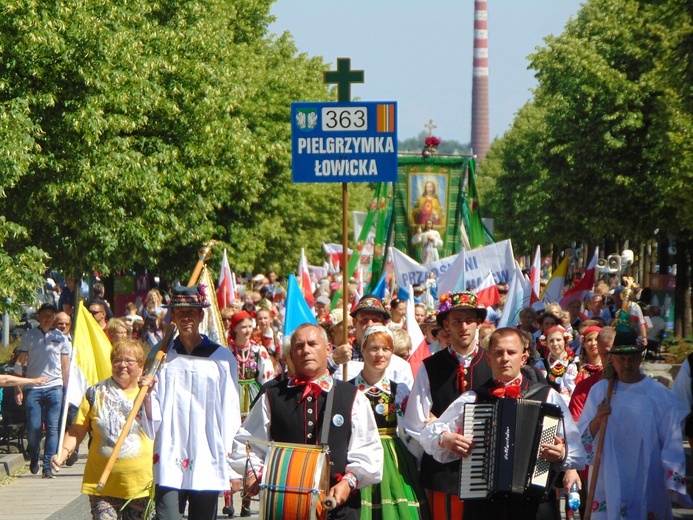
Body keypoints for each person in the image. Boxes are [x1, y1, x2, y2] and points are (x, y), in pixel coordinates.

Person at [421, 327, 585, 519]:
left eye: (511, 352)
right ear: (489, 359)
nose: (505, 358)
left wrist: (562, 454)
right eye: (498, 353)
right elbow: (428, 435)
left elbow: (577, 449)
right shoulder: (473, 399)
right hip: (484, 502)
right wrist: (445, 438)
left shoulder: (547, 396)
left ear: (523, 358)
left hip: (534, 502)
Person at [232, 323, 383, 519]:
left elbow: (368, 450)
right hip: (284, 510)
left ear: (328, 349)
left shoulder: (353, 397)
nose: (306, 351)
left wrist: (349, 482)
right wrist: (255, 474)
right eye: (299, 346)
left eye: (313, 344)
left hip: (339, 511)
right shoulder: (272, 395)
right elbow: (246, 444)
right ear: (291, 356)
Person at [141, 285, 241, 520]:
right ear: (172, 317)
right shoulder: (161, 358)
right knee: (167, 516)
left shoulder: (221, 358)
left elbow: (230, 412)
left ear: (201, 316)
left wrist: (233, 466)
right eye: (180, 312)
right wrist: (146, 395)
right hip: (170, 450)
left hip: (207, 451)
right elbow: (153, 408)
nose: (186, 317)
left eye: (192, 312)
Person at [578, 331, 692, 518]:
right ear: (612, 359)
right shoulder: (600, 392)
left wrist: (672, 477)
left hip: (648, 475)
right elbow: (582, 439)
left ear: (640, 358)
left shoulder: (660, 395)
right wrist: (598, 418)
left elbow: (671, 441)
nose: (626, 364)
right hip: (609, 476)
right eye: (621, 358)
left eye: (632, 358)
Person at [401, 291, 493, 515]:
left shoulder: (493, 362)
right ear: (446, 326)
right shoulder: (430, 367)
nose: (464, 327)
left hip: (488, 470)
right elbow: (414, 421)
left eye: (469, 320)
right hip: (443, 474)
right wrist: (442, 438)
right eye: (457, 321)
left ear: (479, 324)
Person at [51, 340, 153, 520]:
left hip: (141, 483)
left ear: (141, 365)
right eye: (117, 360)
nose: (122, 365)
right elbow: (76, 431)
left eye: (129, 361)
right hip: (101, 483)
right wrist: (63, 452)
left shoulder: (150, 394)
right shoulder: (95, 393)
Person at [349, 326, 429, 519]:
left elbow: (411, 427)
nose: (380, 354)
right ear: (363, 349)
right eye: (373, 348)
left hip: (394, 458)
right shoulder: (348, 390)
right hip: (359, 455)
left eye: (386, 349)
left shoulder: (399, 390)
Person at [14, 303, 70, 478]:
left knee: (53, 428)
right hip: (33, 387)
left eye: (51, 315)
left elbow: (65, 366)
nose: (48, 318)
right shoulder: (29, 336)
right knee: (34, 428)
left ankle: (47, 465)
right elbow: (19, 363)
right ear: (38, 316)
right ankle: (34, 455)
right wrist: (18, 388)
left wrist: (67, 389)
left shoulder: (61, 338)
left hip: (55, 387)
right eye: (44, 315)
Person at [330, 296, 414, 390]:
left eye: (375, 320)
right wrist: (333, 362)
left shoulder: (400, 366)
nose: (369, 325)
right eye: (364, 320)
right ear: (354, 322)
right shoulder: (340, 359)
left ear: (384, 323)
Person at [535, 326, 578, 404]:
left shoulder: (575, 364)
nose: (555, 344)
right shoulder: (541, 365)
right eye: (551, 341)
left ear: (565, 341)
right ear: (546, 344)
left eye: (558, 340)